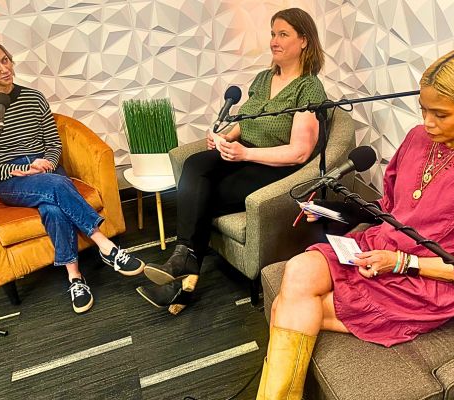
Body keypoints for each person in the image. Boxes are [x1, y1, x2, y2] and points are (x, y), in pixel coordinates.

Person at [255, 47, 454, 399]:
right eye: (424, 110)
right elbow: (389, 208)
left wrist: (402, 262)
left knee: (288, 307)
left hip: (425, 282)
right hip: (378, 250)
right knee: (298, 270)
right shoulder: (419, 138)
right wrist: (332, 211)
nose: (427, 122)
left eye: (441, 114)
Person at [137, 8, 327, 314]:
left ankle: (185, 277)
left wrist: (245, 153)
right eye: (272, 33)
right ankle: (185, 257)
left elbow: (300, 152)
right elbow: (245, 119)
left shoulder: (309, 88)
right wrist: (225, 136)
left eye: (283, 34)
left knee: (204, 193)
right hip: (245, 153)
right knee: (195, 165)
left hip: (275, 168)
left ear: (304, 40)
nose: (274, 41)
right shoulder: (264, 78)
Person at [0, 36, 144, 314]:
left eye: (5, 60)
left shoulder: (34, 98)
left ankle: (74, 277)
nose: (4, 69)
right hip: (13, 181)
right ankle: (105, 245)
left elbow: (53, 142)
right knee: (58, 185)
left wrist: (47, 161)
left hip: (47, 171)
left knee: (52, 208)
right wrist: (20, 168)